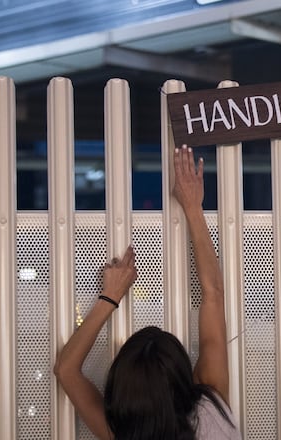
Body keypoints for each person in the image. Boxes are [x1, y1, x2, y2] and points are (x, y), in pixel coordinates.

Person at [54, 146, 242, 440]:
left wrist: (109, 298)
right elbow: (213, 294)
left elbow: (66, 370)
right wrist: (193, 207)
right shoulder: (211, 413)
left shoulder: (122, 434)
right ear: (183, 381)